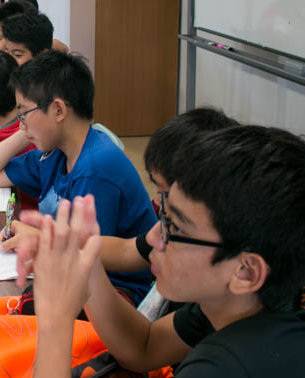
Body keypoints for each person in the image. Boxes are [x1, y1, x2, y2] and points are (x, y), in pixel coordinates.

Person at [17, 126, 305, 378]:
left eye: (175, 227)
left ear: (245, 269)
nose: (154, 238)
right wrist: (88, 265)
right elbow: (144, 347)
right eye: (163, 215)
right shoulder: (262, 295)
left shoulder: (233, 377)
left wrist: (54, 322)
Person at [0, 50, 157, 302]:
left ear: (58, 110)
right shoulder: (55, 152)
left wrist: (37, 238)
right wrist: (28, 128)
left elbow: (85, 260)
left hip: (117, 292)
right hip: (75, 276)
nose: (20, 123)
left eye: (23, 113)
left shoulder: (95, 169)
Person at [100, 107, 239, 273]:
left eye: (165, 193)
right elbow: (125, 250)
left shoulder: (197, 244)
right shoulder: (167, 227)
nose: (157, 201)